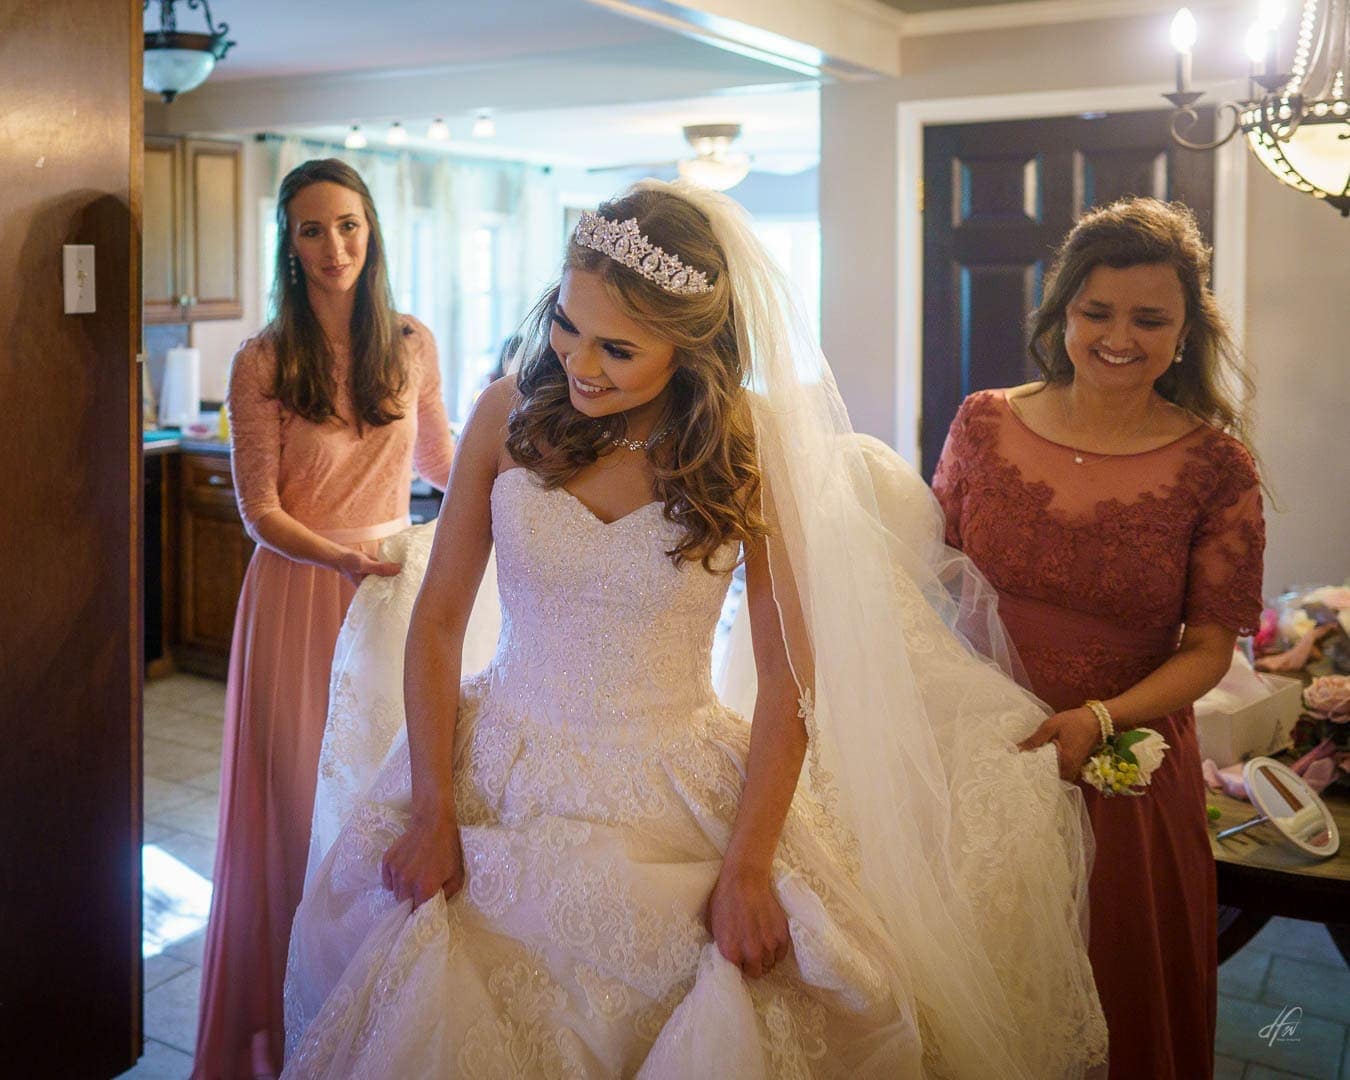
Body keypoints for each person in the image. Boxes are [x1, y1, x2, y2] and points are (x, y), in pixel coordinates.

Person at [281, 180, 1107, 1078]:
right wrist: (436, 810)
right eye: (566, 323)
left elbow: (790, 673)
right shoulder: (505, 413)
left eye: (618, 347)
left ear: (691, 346)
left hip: (676, 783)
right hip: (496, 774)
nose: (577, 362)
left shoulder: (744, 449)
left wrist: (748, 869)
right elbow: (438, 624)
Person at [933, 197, 1265, 1080]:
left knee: (1114, 992)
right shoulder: (982, 422)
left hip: (1125, 759)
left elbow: (1209, 647)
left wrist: (1102, 718)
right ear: (1063, 313)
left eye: (1150, 319)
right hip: (985, 748)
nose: (1120, 337)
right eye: (1098, 313)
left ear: (1187, 330)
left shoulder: (1216, 465)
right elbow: (932, 570)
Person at [192, 158, 455, 1079]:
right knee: (300, 804)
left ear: (371, 230)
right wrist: (338, 555)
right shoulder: (263, 358)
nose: (334, 246)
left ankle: (368, 1021)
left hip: (389, 587)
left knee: (379, 804)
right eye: (312, 229)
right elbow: (257, 510)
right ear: (288, 244)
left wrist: (532, 488)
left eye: (347, 225)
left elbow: (442, 463)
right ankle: (277, 1024)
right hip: (302, 592)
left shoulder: (412, 343)